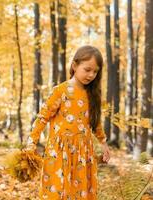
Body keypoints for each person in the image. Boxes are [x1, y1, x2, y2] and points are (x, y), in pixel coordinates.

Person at [27, 45, 110, 199]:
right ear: (74, 66)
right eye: (87, 69)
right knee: (57, 192)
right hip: (59, 152)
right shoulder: (61, 91)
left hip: (83, 153)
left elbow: (96, 122)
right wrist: (32, 142)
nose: (91, 75)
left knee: (80, 193)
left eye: (95, 71)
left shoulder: (92, 95)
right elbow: (42, 117)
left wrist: (104, 143)